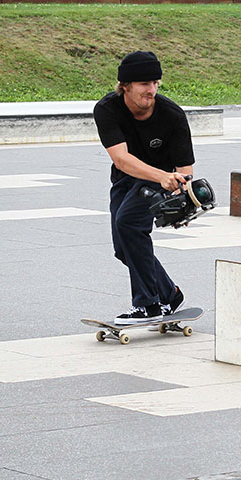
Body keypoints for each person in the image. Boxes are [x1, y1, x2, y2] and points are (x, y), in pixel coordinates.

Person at [93, 51, 196, 325]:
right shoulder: (107, 109)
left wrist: (182, 205)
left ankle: (148, 304)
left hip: (162, 183)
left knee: (128, 223)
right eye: (143, 84)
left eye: (155, 83)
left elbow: (185, 171)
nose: (151, 90)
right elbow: (121, 158)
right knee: (122, 247)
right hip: (128, 178)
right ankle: (169, 293)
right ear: (125, 86)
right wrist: (160, 175)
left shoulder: (172, 115)